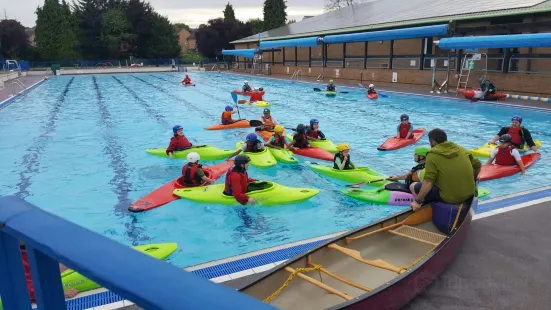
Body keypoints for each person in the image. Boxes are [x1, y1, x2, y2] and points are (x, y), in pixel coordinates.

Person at [410, 128, 482, 211]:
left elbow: (428, 181)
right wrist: (474, 178)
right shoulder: (461, 149)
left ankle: (421, 208)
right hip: (470, 193)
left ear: (433, 142)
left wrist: (418, 201)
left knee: (413, 186)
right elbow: (478, 165)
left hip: (450, 198)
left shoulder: (432, 155)